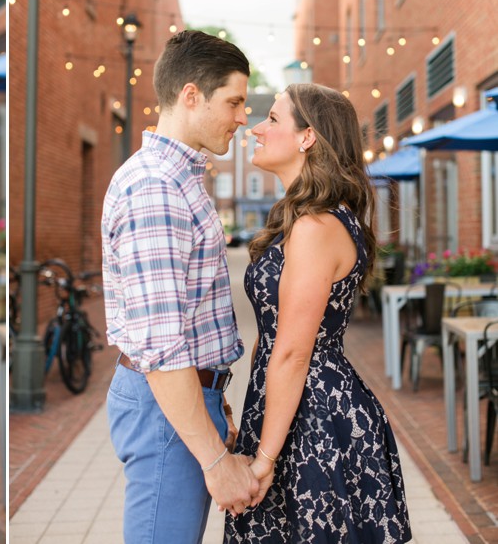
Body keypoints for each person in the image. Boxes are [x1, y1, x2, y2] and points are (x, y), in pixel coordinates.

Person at [224, 83, 411, 542]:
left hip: (316, 419)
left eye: (272, 120)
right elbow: (272, 343)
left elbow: (291, 352)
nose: (255, 129)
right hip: (291, 408)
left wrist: (265, 459)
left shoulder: (316, 225)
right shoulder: (309, 217)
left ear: (307, 137)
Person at [102, 29, 260, 544]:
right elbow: (163, 347)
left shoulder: (180, 179)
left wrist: (215, 403)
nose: (243, 117)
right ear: (191, 96)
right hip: (164, 407)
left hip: (182, 401)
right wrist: (217, 461)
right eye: (234, 101)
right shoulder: (156, 188)